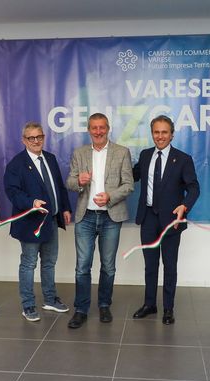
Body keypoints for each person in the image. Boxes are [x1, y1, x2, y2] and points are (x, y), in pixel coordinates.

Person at [65, 113, 134, 329]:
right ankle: (81, 309)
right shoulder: (79, 153)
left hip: (111, 217)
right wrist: (79, 181)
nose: (98, 131)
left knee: (108, 266)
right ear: (89, 130)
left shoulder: (122, 152)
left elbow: (129, 184)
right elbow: (69, 182)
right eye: (94, 128)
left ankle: (104, 305)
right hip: (85, 216)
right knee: (82, 266)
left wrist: (110, 196)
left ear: (108, 128)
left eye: (102, 127)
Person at [131, 115, 199, 325]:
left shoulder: (183, 159)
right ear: (152, 133)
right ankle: (149, 304)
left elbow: (194, 188)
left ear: (172, 135)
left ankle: (168, 308)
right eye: (156, 132)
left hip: (171, 221)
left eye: (164, 132)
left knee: (169, 266)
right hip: (148, 218)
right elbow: (131, 176)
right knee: (150, 265)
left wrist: (184, 206)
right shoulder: (145, 155)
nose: (160, 136)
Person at [4, 122, 72, 321]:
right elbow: (13, 192)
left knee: (49, 262)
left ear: (44, 137)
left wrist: (65, 208)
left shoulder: (50, 158)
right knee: (29, 264)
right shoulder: (16, 164)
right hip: (30, 224)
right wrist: (31, 203)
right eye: (31, 138)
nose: (36, 141)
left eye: (39, 137)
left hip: (51, 220)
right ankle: (28, 305)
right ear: (24, 140)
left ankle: (50, 299)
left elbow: (59, 187)